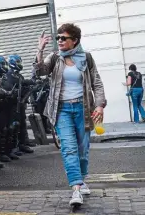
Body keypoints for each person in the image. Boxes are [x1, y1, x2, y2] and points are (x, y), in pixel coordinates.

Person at [34, 24, 106, 206]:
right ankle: (76, 188)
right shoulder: (55, 58)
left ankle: (81, 180)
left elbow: (96, 82)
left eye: (63, 38)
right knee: (69, 149)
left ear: (74, 40)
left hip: (84, 109)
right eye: (58, 38)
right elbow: (39, 72)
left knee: (82, 150)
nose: (59, 41)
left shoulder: (86, 58)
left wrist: (99, 106)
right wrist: (40, 50)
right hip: (62, 110)